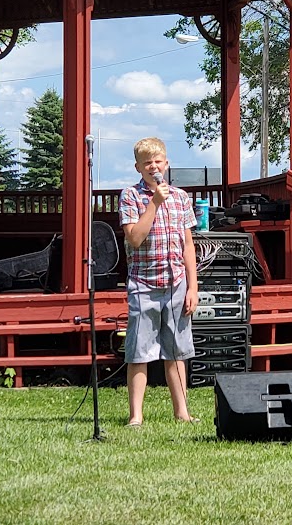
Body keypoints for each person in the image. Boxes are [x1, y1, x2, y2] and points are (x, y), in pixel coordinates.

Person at [118, 137, 199, 427]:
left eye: (158, 161)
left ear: (166, 164)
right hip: (144, 284)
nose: (153, 166)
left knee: (176, 351)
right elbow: (135, 238)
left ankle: (182, 412)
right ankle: (135, 417)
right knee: (139, 352)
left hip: (176, 283)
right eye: (147, 162)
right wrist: (154, 202)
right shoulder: (130, 196)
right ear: (138, 167)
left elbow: (188, 245)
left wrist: (193, 287)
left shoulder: (180, 197)